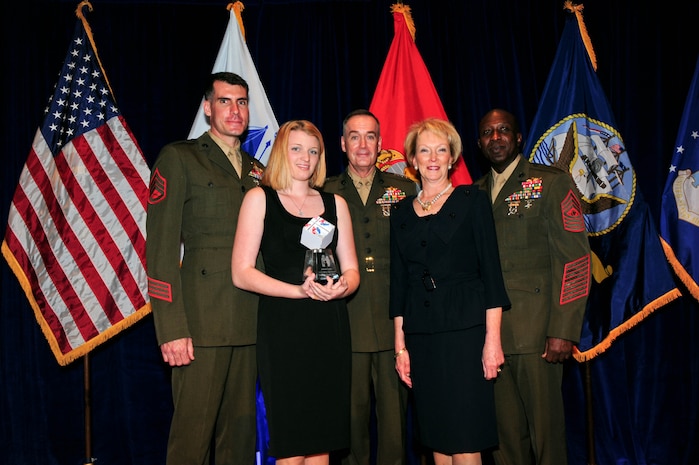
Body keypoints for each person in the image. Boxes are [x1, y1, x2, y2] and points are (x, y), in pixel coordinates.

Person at [146, 72, 265, 465]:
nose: (235, 110)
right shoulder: (181, 157)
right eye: (225, 101)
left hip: (250, 320)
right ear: (207, 107)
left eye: (242, 102)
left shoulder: (258, 170)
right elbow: (161, 249)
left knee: (240, 440)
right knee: (191, 441)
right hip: (200, 324)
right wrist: (172, 328)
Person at [231, 119, 360, 465]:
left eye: (314, 151)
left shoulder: (336, 204)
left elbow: (352, 271)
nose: (306, 157)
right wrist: (297, 291)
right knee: (291, 443)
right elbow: (241, 273)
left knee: (322, 439)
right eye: (297, 149)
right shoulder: (260, 199)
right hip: (283, 328)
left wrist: (342, 287)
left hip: (328, 327)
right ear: (281, 153)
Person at [473, 108, 591, 465]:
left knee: (547, 440)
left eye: (504, 130)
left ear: (519, 137)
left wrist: (563, 330)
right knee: (505, 443)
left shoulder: (550, 182)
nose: (496, 138)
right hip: (490, 341)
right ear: (479, 143)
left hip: (539, 336)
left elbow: (575, 260)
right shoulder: (472, 194)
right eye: (488, 132)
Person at [389, 118, 510, 465]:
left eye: (441, 150)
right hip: (421, 336)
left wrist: (493, 341)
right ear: (412, 159)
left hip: (466, 335)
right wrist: (400, 348)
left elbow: (492, 277)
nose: (432, 157)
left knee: (466, 437)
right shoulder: (399, 213)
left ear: (452, 157)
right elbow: (399, 285)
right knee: (437, 436)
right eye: (424, 150)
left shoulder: (473, 200)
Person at [323, 109, 417, 465]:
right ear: (343, 143)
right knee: (349, 427)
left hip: (395, 323)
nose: (363, 144)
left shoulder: (405, 190)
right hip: (343, 323)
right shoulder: (324, 192)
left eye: (370, 136)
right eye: (355, 136)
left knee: (394, 428)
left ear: (380, 144)